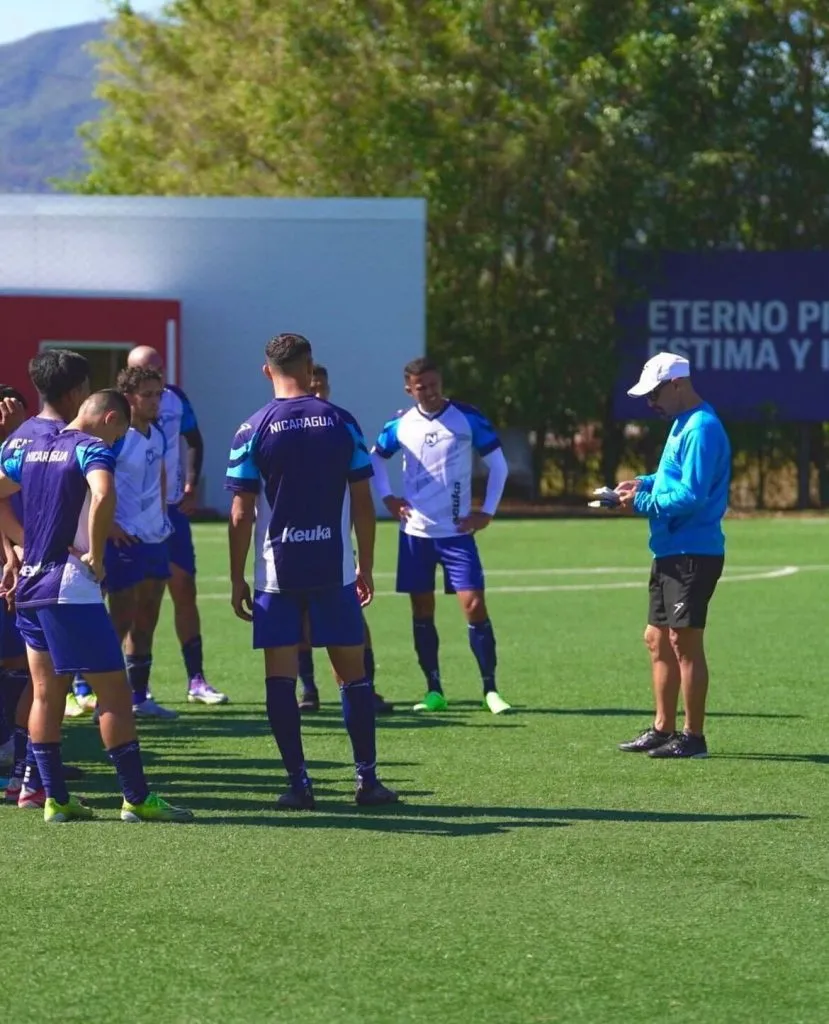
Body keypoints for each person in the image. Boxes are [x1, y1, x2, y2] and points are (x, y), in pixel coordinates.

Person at [0, 389, 193, 823]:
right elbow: (104, 495)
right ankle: (136, 798)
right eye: (118, 433)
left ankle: (55, 798)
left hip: (31, 586)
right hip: (71, 588)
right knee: (115, 694)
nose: (115, 443)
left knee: (47, 693)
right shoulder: (89, 448)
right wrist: (98, 557)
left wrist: (20, 543)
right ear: (108, 418)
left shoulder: (33, 446)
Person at [226, 333, 398, 808]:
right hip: (334, 570)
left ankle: (299, 784)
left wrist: (237, 575)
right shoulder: (342, 423)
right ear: (309, 367)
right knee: (353, 676)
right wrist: (365, 562)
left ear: (268, 371)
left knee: (280, 680)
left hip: (275, 577)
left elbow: (241, 512)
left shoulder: (252, 428)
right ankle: (367, 780)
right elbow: (363, 502)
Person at [369, 356, 511, 714]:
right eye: (421, 388)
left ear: (441, 382)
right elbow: (375, 458)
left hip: (457, 533)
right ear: (409, 389)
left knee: (474, 605)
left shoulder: (467, 417)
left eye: (434, 385)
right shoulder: (400, 424)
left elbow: (498, 464)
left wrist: (487, 512)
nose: (429, 392)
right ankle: (434, 689)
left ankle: (490, 689)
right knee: (421, 609)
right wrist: (387, 497)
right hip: (415, 534)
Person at [614, 352, 731, 759]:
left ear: (677, 384)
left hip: (693, 552)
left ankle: (693, 737)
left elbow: (692, 495)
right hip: (670, 549)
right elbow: (672, 477)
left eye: (654, 393)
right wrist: (641, 483)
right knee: (657, 639)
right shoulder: (682, 423)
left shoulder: (701, 428)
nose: (650, 403)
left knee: (684, 641)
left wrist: (642, 501)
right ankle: (663, 729)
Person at [0, 354, 91, 808]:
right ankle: (37, 782)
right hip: (63, 578)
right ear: (76, 393)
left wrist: (19, 547)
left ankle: (25, 777)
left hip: (27, 571)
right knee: (63, 684)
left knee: (41, 683)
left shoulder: (16, 439)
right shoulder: (71, 440)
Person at [126, 345, 228, 705]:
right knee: (129, 600)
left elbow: (194, 441)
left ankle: (195, 679)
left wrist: (190, 484)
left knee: (182, 588)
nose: (153, 382)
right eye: (143, 374)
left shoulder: (176, 400)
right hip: (131, 520)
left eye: (156, 370)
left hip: (170, 512)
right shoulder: (114, 412)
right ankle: (113, 684)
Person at [297, 364, 393, 716]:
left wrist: (362, 558)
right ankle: (308, 690)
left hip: (336, 540)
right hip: (298, 541)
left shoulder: (340, 427)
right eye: (313, 386)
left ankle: (364, 688)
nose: (318, 392)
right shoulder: (287, 429)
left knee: (353, 617)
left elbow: (359, 492)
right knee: (303, 620)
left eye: (323, 386)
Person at [104, 365, 177, 718]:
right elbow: (93, 482)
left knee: (148, 614)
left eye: (158, 394)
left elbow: (159, 474)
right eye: (147, 394)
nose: (154, 401)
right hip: (123, 538)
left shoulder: (157, 433)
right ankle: (89, 691)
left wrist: (162, 514)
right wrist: (109, 526)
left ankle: (139, 696)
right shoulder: (115, 436)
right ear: (128, 397)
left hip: (154, 537)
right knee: (119, 617)